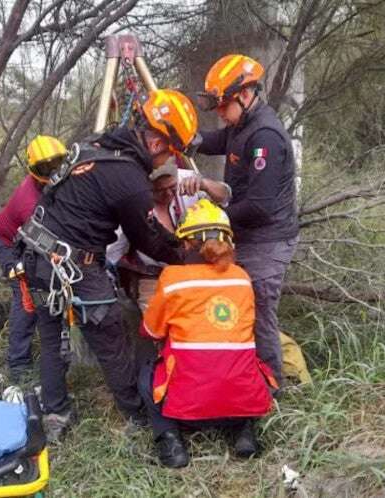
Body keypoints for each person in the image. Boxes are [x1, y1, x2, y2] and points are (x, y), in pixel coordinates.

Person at [19, 89, 198, 440]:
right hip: (75, 266)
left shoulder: (95, 146)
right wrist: (186, 257)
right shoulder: (128, 178)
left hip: (37, 255)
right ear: (160, 143)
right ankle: (138, 415)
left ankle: (56, 410)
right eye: (170, 153)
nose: (166, 161)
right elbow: (148, 239)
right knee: (112, 339)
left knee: (52, 338)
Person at [138, 199, 274, 468]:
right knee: (246, 365)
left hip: (187, 410)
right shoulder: (242, 278)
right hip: (240, 402)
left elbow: (150, 332)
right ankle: (243, 431)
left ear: (187, 243)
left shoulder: (172, 278)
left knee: (145, 371)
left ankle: (170, 440)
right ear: (227, 242)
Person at [196, 54, 299, 386]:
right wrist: (184, 136)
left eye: (224, 106)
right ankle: (245, 380)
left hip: (268, 241)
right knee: (240, 310)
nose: (221, 115)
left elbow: (260, 205)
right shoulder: (240, 125)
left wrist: (215, 216)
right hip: (248, 236)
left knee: (259, 318)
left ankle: (273, 391)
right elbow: (212, 142)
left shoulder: (265, 137)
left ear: (244, 95)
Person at [107, 159, 231, 313]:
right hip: (154, 276)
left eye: (172, 188)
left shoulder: (188, 180)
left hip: (199, 270)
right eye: (158, 190)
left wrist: (204, 184)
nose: (167, 194)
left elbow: (225, 197)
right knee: (161, 321)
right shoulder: (132, 202)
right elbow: (111, 253)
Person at [0, 135, 67, 383]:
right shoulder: (29, 202)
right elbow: (47, 243)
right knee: (26, 299)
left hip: (29, 241)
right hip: (9, 244)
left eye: (58, 164)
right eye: (48, 168)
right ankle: (18, 363)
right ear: (35, 170)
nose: (54, 172)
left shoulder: (56, 184)